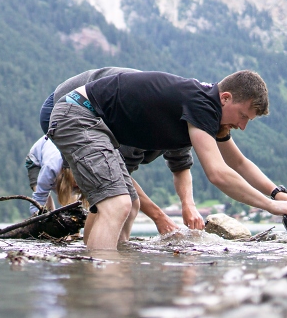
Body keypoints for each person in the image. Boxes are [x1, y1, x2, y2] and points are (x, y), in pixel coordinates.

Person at [47, 70, 287, 250]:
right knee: (116, 203)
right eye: (242, 116)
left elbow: (238, 163)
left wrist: (278, 194)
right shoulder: (203, 103)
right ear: (225, 98)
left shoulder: (207, 111)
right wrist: (271, 208)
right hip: (80, 114)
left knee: (129, 207)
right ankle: (103, 288)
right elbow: (218, 174)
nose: (242, 126)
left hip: (92, 122)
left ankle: (97, 268)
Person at [43, 67, 204, 238]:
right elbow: (119, 175)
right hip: (65, 106)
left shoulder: (184, 123)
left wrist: (188, 205)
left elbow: (181, 167)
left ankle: (111, 251)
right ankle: (97, 255)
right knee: (116, 200)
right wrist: (159, 217)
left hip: (91, 106)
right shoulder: (142, 123)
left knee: (123, 201)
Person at [25, 136, 79, 215]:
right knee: (44, 208)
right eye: (75, 184)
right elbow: (39, 198)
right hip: (36, 159)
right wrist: (37, 216)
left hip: (60, 158)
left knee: (73, 207)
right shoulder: (51, 167)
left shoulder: (84, 167)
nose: (77, 186)